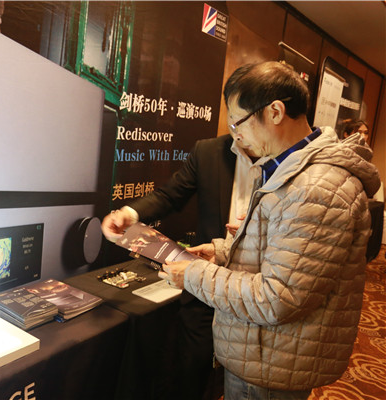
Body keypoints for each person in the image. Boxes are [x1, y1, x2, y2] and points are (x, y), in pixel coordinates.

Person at [159, 61, 381, 400]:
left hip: (271, 361)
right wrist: (222, 251)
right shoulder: (292, 168)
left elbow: (278, 297)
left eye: (238, 121)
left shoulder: (315, 187)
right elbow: (283, 250)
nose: (236, 134)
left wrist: (193, 274)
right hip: (266, 351)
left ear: (275, 111)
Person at [102, 127, 268, 397]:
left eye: (241, 119)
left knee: (245, 382)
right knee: (190, 374)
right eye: (232, 119)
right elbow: (170, 195)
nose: (236, 127)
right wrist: (129, 214)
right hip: (203, 282)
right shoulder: (209, 151)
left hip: (254, 290)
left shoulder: (284, 159)